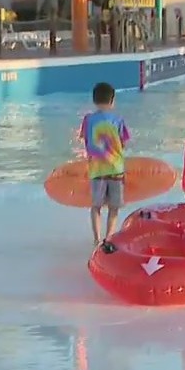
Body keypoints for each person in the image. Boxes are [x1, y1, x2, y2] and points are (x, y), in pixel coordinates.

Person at [80, 82, 131, 248]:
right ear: (112, 100)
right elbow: (124, 142)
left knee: (96, 206)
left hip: (97, 170)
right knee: (114, 208)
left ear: (94, 100)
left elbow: (85, 140)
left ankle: (96, 239)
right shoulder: (118, 120)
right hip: (116, 169)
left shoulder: (88, 120)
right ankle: (109, 239)